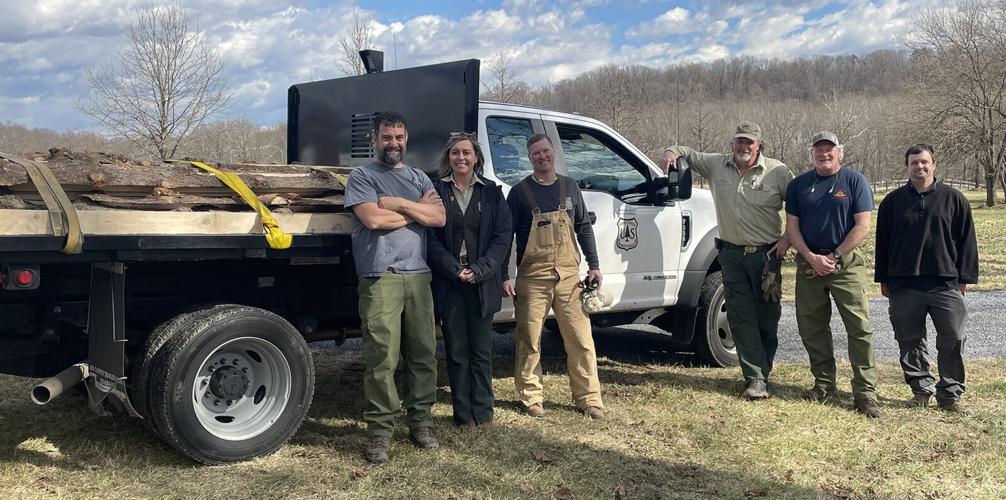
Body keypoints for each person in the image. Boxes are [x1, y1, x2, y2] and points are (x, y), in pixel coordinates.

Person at [663, 122, 793, 400]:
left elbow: (798, 210)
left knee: (767, 317)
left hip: (766, 257)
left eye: (749, 142)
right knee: (739, 316)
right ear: (732, 144)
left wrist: (787, 239)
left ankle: (763, 370)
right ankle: (754, 378)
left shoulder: (779, 172)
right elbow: (687, 151)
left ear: (759, 146)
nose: (743, 147)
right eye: (739, 142)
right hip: (731, 256)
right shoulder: (716, 165)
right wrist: (671, 153)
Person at [344, 111, 446, 462]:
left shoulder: (418, 176)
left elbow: (440, 217)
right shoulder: (362, 176)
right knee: (381, 360)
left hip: (419, 276)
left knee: (423, 355)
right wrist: (417, 212)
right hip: (380, 277)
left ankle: (421, 422)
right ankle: (380, 432)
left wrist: (400, 204)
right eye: (387, 137)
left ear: (407, 138)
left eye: (399, 137)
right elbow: (372, 219)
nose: (394, 143)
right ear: (374, 139)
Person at [504, 133, 605, 419]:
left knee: (580, 339)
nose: (542, 157)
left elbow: (584, 227)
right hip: (532, 278)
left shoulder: (570, 187)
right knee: (529, 338)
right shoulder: (519, 193)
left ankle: (589, 398)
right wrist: (504, 274)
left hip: (569, 276)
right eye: (536, 153)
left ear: (554, 153)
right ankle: (531, 396)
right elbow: (505, 237)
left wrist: (594, 265)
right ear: (529, 157)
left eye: (546, 151)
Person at [875, 144, 978, 413]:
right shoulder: (892, 202)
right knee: (909, 339)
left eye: (924, 162)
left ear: (934, 164)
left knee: (953, 338)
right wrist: (883, 279)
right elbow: (882, 243)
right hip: (904, 284)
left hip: (945, 282)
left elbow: (967, 242)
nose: (919, 167)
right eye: (914, 163)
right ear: (907, 166)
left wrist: (963, 280)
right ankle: (920, 389)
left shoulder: (954, 199)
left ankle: (950, 394)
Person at [785, 131, 881, 418]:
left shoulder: (855, 181)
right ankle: (824, 384)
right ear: (811, 154)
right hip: (809, 263)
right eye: (819, 150)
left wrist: (834, 255)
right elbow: (792, 229)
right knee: (812, 326)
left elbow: (862, 226)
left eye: (830, 149)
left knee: (858, 327)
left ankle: (865, 393)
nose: (824, 154)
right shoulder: (799, 185)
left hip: (845, 264)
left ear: (840, 152)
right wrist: (811, 257)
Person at [427, 132, 513, 428]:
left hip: (482, 282)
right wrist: (455, 269)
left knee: (480, 351)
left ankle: (484, 412)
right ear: (448, 157)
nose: (460, 157)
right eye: (455, 153)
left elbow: (503, 237)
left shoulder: (491, 192)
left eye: (466, 152)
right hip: (450, 282)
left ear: (476, 157)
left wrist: (481, 269)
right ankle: (463, 414)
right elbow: (430, 239)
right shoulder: (435, 191)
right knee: (456, 351)